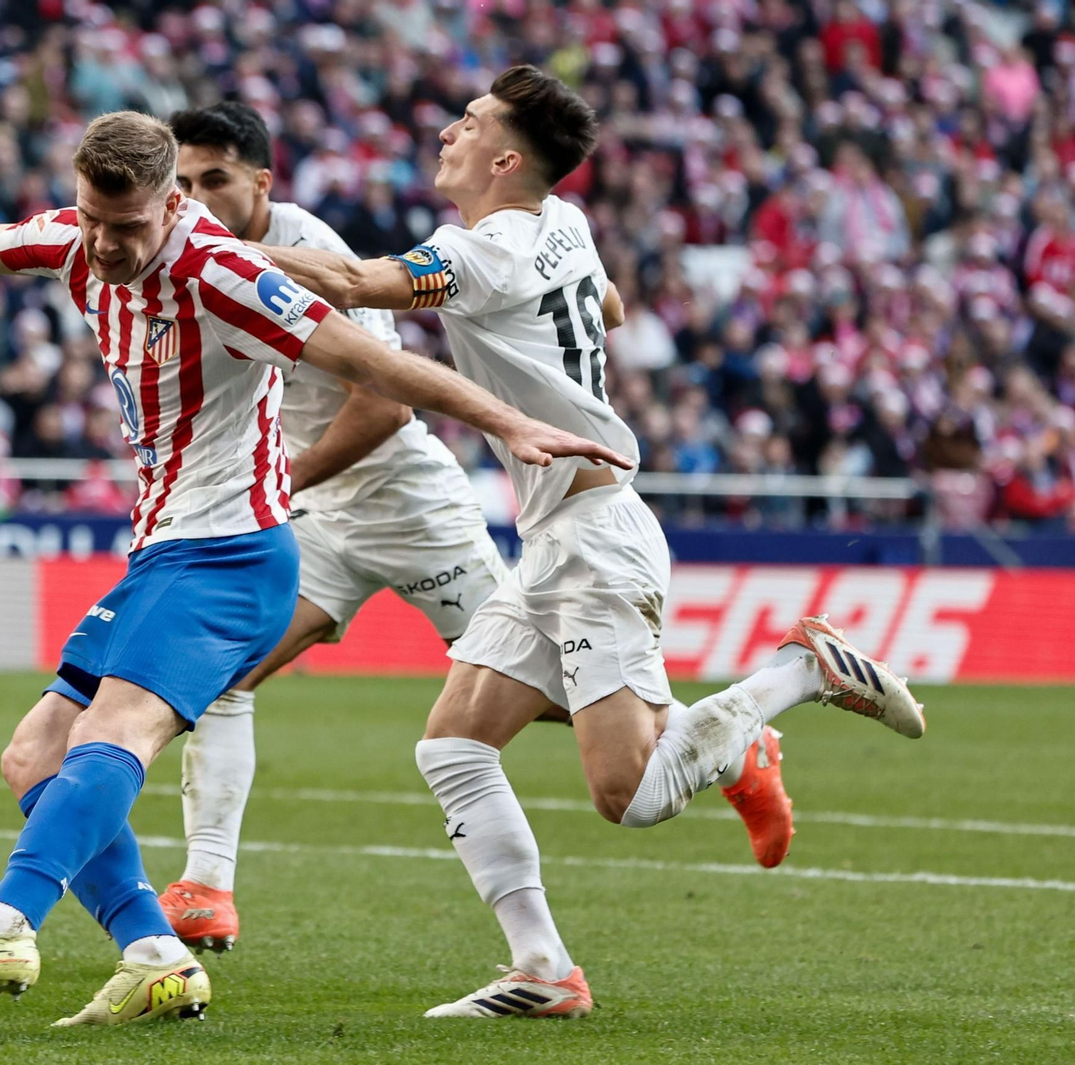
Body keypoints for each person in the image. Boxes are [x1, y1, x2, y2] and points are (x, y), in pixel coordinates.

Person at [0, 110, 631, 1027]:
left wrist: (508, 423)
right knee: (33, 755)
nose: (103, 245)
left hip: (232, 553)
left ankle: (5, 923)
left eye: (125, 226)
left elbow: (371, 363)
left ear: (170, 206)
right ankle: (154, 954)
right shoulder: (76, 241)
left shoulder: (221, 271)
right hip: (164, 548)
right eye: (91, 218)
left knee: (112, 731)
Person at [258, 66, 926, 1020]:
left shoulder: (480, 251)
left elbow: (361, 282)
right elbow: (607, 307)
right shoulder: (564, 223)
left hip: (596, 539)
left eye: (469, 122)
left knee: (633, 795)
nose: (447, 132)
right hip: (559, 538)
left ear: (505, 159)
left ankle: (796, 674)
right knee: (452, 746)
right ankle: (543, 968)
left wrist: (212, 249)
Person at [156, 101, 628, 954]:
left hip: (412, 507)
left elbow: (382, 406)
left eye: (212, 179)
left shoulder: (310, 249)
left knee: (559, 696)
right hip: (321, 520)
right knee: (221, 671)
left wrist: (273, 484)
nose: (194, 197)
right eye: (181, 183)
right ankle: (206, 886)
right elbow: (609, 304)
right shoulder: (553, 226)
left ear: (260, 181)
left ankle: (721, 739)